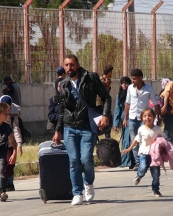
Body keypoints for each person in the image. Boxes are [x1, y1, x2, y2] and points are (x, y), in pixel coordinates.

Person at [53, 54, 111, 206]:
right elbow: (62, 109)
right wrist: (58, 130)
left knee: (86, 160)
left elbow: (106, 97)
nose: (69, 68)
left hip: (87, 127)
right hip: (69, 128)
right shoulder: (64, 84)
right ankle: (77, 193)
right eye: (66, 65)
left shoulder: (90, 78)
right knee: (73, 161)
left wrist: (105, 115)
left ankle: (89, 183)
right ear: (63, 66)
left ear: (78, 65)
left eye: (72, 64)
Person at [122, 69, 161, 171]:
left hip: (144, 119)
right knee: (134, 140)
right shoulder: (130, 88)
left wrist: (158, 117)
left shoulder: (149, 89)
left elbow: (155, 103)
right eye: (132, 78)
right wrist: (125, 118)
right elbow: (127, 103)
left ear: (140, 78)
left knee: (145, 140)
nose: (133, 80)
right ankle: (138, 162)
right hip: (132, 118)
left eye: (135, 79)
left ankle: (147, 159)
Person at [122, 108, 165, 197]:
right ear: (142, 118)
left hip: (155, 155)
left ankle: (155, 189)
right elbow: (137, 140)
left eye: (149, 116)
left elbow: (162, 140)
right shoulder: (141, 129)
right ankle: (139, 176)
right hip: (144, 153)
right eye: (145, 116)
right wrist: (129, 149)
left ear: (153, 117)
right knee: (142, 167)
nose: (147, 118)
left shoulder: (157, 129)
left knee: (156, 174)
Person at [0, 95, 23, 191]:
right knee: (1, 164)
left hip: (11, 143)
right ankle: (0, 184)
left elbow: (16, 130)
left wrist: (19, 145)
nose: (6, 110)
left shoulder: (14, 115)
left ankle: (9, 183)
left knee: (10, 163)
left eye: (8, 107)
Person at [113, 76, 134, 168]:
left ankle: (133, 161)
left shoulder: (132, 94)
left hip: (132, 118)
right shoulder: (119, 95)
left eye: (126, 83)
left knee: (132, 140)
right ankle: (127, 161)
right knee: (126, 140)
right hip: (124, 120)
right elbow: (117, 109)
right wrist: (116, 123)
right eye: (122, 83)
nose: (124, 85)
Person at [96, 64, 113, 138]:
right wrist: (105, 84)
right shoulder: (100, 79)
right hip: (100, 104)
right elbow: (100, 93)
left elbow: (107, 93)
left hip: (106, 104)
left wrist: (108, 86)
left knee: (107, 122)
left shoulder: (108, 80)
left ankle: (107, 138)